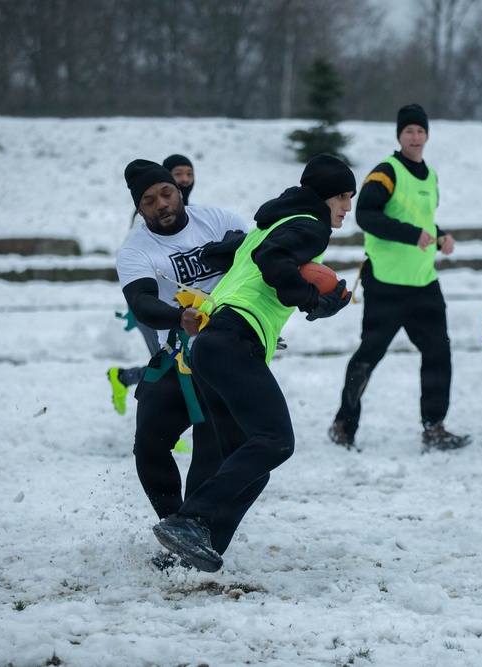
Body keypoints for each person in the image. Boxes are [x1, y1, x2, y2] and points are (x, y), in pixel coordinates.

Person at [152, 154, 355, 572]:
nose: (346, 207)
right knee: (275, 441)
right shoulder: (310, 225)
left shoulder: (268, 224)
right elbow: (275, 262)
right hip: (233, 340)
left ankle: (185, 558)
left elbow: (227, 254)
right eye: (342, 196)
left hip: (211, 342)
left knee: (250, 465)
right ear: (323, 196)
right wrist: (315, 298)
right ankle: (188, 521)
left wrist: (314, 303)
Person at [117, 158, 247, 570]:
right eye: (149, 200)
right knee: (148, 445)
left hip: (228, 352)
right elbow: (140, 302)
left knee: (211, 449)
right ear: (139, 209)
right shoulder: (136, 249)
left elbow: (255, 260)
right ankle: (177, 528)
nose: (161, 204)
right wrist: (179, 317)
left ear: (179, 188)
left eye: (166, 193)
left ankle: (198, 534)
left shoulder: (219, 219)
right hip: (175, 356)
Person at [328, 103, 470, 454]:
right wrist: (411, 235)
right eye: (409, 131)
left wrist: (441, 235)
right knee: (369, 355)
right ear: (399, 135)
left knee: (439, 353)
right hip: (386, 284)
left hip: (424, 282)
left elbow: (420, 220)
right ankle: (343, 425)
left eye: (421, 131)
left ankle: (433, 427)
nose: (416, 137)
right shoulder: (385, 172)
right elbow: (365, 214)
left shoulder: (430, 176)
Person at [107, 153, 198, 414]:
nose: (185, 178)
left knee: (182, 365)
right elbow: (134, 261)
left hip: (186, 306)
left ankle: (126, 379)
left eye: (189, 173)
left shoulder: (194, 216)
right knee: (170, 366)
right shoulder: (146, 221)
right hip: (156, 307)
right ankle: (160, 422)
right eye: (178, 173)